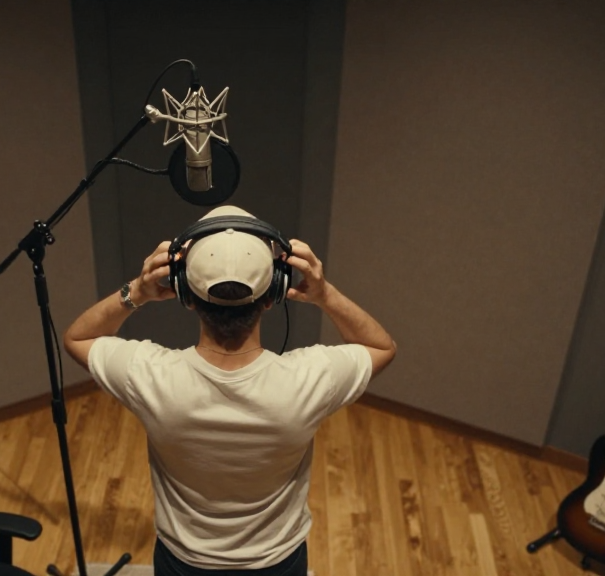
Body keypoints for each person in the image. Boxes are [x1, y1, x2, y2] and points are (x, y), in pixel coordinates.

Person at [63, 205, 396, 576]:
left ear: (186, 295)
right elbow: (382, 347)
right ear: (274, 294)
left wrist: (137, 292)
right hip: (278, 563)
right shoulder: (309, 379)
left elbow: (79, 337)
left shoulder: (150, 375)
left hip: (182, 563)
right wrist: (324, 294)